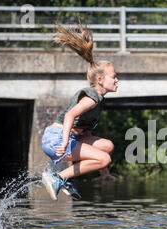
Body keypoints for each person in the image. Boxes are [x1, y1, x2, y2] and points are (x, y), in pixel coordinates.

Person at [41, 22, 117, 201]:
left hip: (67, 139)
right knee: (104, 157)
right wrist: (66, 141)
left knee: (107, 147)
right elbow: (70, 115)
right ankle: (58, 177)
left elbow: (86, 137)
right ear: (100, 79)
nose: (117, 80)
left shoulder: (97, 102)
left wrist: (103, 170)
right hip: (57, 140)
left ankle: (67, 179)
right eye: (114, 77)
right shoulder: (91, 96)